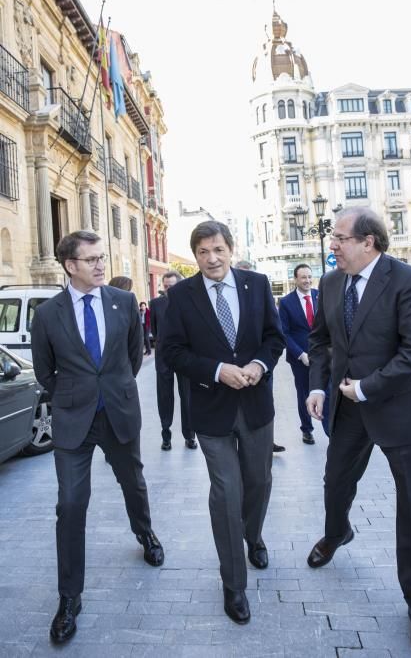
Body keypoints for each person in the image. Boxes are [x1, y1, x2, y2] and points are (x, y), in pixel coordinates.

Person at [306, 208, 411, 658]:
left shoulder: (408, 280)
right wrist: (318, 388)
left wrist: (368, 387)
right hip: (346, 409)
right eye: (333, 239)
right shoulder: (329, 283)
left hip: (398, 409)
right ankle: (336, 531)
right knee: (335, 482)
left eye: (340, 238)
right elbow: (320, 341)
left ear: (370, 242)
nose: (332, 245)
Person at [31, 231, 164, 644]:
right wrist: (74, 395)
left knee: (133, 482)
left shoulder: (123, 302)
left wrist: (114, 389)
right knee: (70, 504)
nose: (100, 265)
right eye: (90, 260)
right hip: (73, 420)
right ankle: (69, 598)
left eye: (101, 257)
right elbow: (43, 371)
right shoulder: (48, 313)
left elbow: (132, 356)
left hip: (118, 414)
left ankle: (145, 532)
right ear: (70, 266)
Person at [162, 221, 284, 624]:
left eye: (218, 249)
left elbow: (274, 338)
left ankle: (253, 534)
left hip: (255, 406)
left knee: (260, 482)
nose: (211, 259)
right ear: (194, 256)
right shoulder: (180, 295)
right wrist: (216, 370)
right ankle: (234, 584)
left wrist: (258, 364)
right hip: (211, 411)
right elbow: (172, 352)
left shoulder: (258, 283)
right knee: (227, 492)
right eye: (202, 252)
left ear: (231, 248)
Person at [235, 260, 286, 454]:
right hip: (228, 377)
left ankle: (267, 439)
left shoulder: (259, 290)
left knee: (263, 404)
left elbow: (274, 332)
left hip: (260, 368)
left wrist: (261, 363)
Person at [279, 263, 330, 444]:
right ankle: (307, 429)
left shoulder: (320, 296)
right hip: (299, 358)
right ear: (295, 280)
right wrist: (301, 354)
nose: (307, 280)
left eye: (309, 277)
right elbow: (284, 333)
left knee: (327, 390)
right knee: (303, 394)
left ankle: (330, 429)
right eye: (303, 277)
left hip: (324, 356)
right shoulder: (286, 303)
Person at [150, 271, 196, 450]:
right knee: (164, 397)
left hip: (184, 356)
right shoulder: (155, 304)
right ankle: (166, 435)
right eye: (166, 286)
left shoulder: (189, 302)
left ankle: (190, 436)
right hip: (163, 357)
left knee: (187, 397)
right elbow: (155, 330)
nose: (168, 289)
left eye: (172, 286)